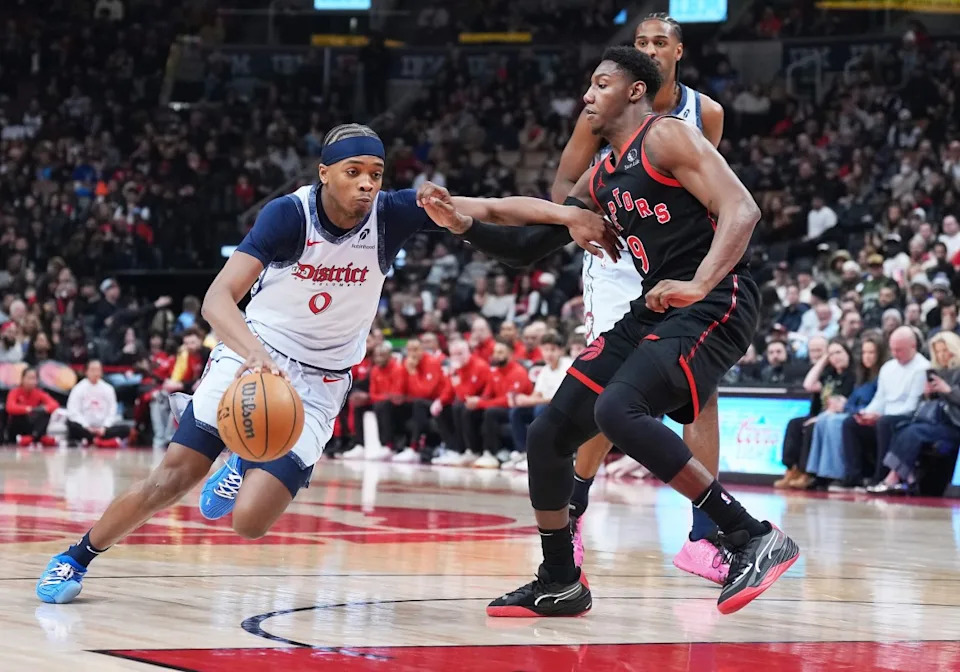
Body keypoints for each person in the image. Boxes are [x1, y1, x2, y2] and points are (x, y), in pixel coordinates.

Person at [35, 122, 612, 604]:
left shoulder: (393, 214)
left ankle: (244, 460)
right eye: (354, 171)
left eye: (376, 173)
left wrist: (567, 218)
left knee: (249, 524)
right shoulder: (288, 216)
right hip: (254, 357)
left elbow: (490, 207)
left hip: (322, 381)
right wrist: (257, 358)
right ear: (325, 173)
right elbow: (217, 299)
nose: (366, 183)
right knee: (173, 477)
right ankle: (79, 555)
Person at [420, 47, 798, 616]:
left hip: (718, 298)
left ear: (634, 91)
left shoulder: (666, 136)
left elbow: (742, 209)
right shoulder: (603, 176)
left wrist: (698, 282)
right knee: (548, 435)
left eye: (599, 84)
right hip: (658, 307)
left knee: (617, 410)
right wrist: (463, 218)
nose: (587, 96)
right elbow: (527, 239)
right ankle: (559, 579)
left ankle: (749, 536)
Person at [549, 12, 730, 582]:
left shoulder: (705, 114)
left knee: (702, 392)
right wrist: (586, 221)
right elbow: (563, 189)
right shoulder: (603, 107)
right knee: (610, 392)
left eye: (660, 42)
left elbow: (703, 189)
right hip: (615, 259)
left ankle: (704, 538)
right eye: (641, 42)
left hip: (673, 259)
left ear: (679, 51)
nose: (650, 49)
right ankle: (573, 511)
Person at [838, 326, 929, 489]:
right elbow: (880, 399)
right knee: (851, 423)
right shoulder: (888, 367)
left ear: (912, 347)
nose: (895, 354)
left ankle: (880, 477)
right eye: (893, 349)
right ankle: (854, 477)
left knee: (884, 423)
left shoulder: (922, 368)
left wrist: (879, 417)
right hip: (884, 416)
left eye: (899, 350)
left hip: (906, 419)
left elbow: (912, 406)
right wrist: (866, 414)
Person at [869, 331, 960, 494]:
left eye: (944, 350)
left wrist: (948, 390)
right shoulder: (937, 371)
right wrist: (927, 394)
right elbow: (929, 405)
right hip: (936, 420)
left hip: (954, 423)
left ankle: (893, 478)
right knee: (901, 427)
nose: (941, 355)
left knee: (913, 432)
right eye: (937, 351)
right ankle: (905, 477)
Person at [65, 360, 131, 447]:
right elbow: (73, 411)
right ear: (86, 372)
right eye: (92, 370)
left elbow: (112, 411)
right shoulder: (78, 388)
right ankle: (99, 440)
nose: (95, 373)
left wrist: (104, 427)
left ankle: (94, 440)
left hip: (103, 428)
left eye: (98, 370)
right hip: (85, 427)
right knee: (71, 425)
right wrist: (86, 426)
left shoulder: (108, 389)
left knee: (126, 429)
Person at [5, 367, 59, 447]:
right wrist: (27, 409)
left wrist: (42, 409)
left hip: (33, 425)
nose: (31, 381)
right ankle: (38, 438)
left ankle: (32, 437)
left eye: (34, 378)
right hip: (19, 424)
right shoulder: (14, 392)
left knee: (44, 413)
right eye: (29, 378)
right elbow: (10, 407)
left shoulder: (39, 393)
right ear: (22, 379)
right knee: (17, 416)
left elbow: (54, 404)